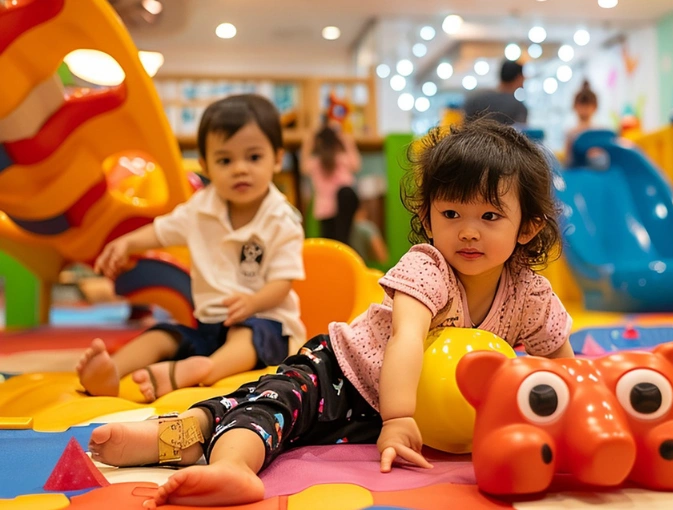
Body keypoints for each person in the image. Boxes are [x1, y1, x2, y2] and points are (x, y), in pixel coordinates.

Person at [87, 119, 575, 508]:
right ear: (428, 218)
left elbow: (562, 363)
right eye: (451, 215)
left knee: (292, 437)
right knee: (269, 407)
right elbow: (406, 338)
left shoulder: (530, 295)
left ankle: (186, 443)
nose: (468, 232)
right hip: (340, 372)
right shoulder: (428, 268)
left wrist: (570, 423)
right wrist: (400, 416)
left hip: (382, 417)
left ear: (528, 227)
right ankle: (196, 451)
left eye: (489, 217)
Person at [76, 94, 307, 402]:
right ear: (205, 165)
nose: (240, 169)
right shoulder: (201, 208)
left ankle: (206, 368)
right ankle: (110, 372)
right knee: (164, 334)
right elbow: (161, 231)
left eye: (253, 158)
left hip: (266, 323)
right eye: (225, 160)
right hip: (208, 324)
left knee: (247, 335)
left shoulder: (281, 219)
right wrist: (127, 243)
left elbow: (282, 283)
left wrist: (252, 303)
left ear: (276, 159)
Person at [301, 122, 361, 244]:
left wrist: (309, 141)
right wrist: (345, 139)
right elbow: (356, 164)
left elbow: (303, 167)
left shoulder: (317, 162)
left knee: (331, 243)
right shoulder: (340, 159)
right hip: (337, 209)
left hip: (327, 209)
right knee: (343, 241)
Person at [462, 60, 528, 126]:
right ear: (519, 77)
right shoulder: (518, 107)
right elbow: (520, 132)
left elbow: (464, 126)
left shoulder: (474, 100)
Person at [563, 80, 599, 166]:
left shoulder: (599, 130)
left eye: (588, 106)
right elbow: (568, 160)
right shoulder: (571, 132)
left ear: (594, 107)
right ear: (575, 107)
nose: (584, 110)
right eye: (582, 105)